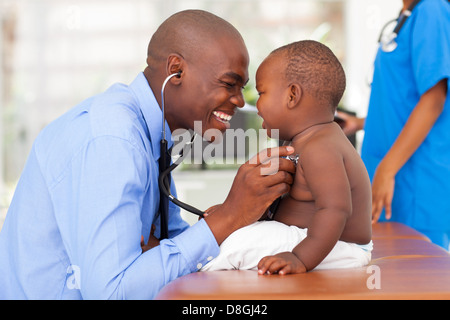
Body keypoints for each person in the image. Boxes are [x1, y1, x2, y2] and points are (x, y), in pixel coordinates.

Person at [0, 10, 296, 299]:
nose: (238, 100)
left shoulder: (152, 136)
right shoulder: (113, 140)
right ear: (176, 70)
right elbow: (113, 292)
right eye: (229, 83)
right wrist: (229, 217)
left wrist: (236, 217)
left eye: (241, 88)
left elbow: (167, 248)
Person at [201, 40, 373, 274]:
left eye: (261, 93)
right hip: (313, 239)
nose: (256, 104)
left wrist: (300, 258)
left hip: (335, 246)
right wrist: (230, 215)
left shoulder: (321, 148)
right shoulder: (300, 141)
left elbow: (335, 210)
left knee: (235, 246)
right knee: (232, 235)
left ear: (292, 95)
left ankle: (183, 268)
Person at [338, 0, 450, 249]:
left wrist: (387, 170)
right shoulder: (407, 16)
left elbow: (434, 99)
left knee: (421, 279)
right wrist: (360, 123)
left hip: (416, 182)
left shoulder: (431, 10)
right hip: (392, 178)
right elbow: (404, 100)